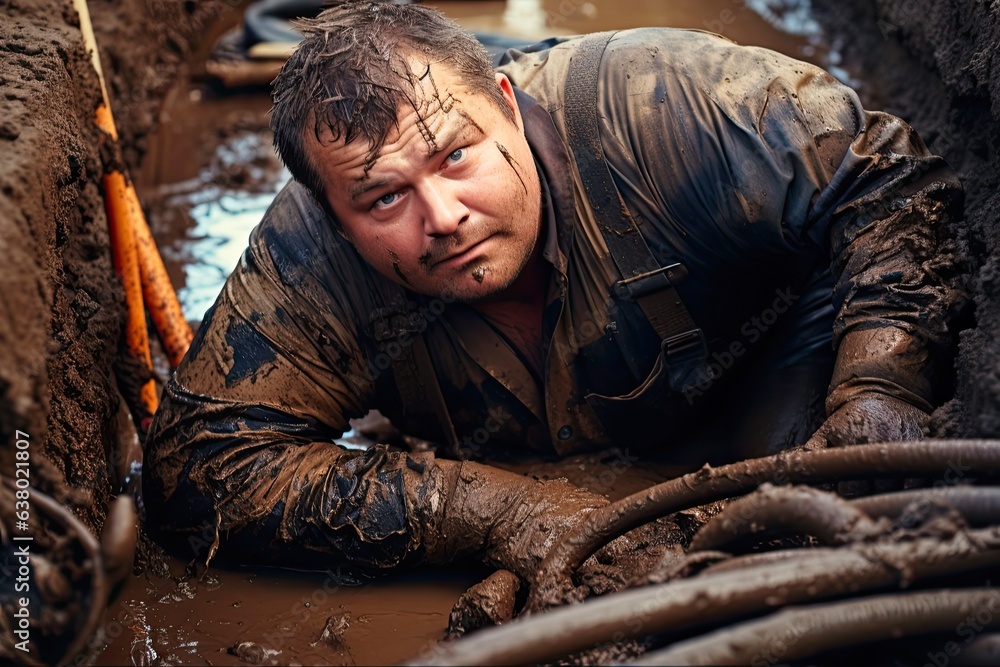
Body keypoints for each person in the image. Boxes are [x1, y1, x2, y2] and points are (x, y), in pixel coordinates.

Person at [144, 2, 967, 584]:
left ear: (506, 103)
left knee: (811, 499)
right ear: (335, 216)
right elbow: (195, 467)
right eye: (385, 198)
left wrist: (880, 386)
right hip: (523, 467)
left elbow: (886, 173)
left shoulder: (661, 101)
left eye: (456, 156)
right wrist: (492, 513)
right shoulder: (308, 252)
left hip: (763, 371)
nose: (443, 217)